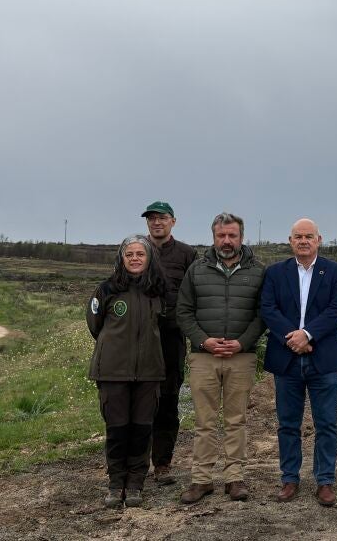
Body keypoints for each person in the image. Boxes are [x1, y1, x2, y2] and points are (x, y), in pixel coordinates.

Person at [176, 213, 265, 503]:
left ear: (242, 237)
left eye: (232, 235)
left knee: (235, 420)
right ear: (213, 237)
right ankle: (201, 480)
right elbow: (184, 312)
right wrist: (204, 340)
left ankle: (234, 479)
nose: (226, 241)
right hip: (204, 357)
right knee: (204, 421)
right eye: (221, 236)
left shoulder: (258, 272)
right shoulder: (196, 270)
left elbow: (261, 315)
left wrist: (243, 343)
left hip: (241, 357)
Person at [260, 219, 337, 507]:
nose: (303, 241)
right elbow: (268, 309)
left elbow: (335, 311)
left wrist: (307, 334)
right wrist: (293, 338)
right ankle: (289, 478)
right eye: (298, 236)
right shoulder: (275, 272)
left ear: (319, 239)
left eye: (309, 236)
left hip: (321, 358)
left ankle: (324, 481)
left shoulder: (335, 272)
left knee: (326, 424)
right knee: (287, 424)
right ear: (290, 240)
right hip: (286, 358)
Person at [86, 235, 168, 508]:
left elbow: (166, 327)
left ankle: (135, 485)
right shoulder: (107, 290)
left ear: (148, 258)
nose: (135, 258)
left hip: (148, 372)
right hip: (112, 372)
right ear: (121, 258)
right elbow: (95, 326)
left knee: (142, 430)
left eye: (140, 254)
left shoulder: (157, 290)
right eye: (129, 254)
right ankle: (114, 484)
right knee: (117, 430)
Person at [140, 201, 197, 485]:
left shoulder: (187, 254)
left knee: (168, 401)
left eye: (161, 218)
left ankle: (162, 463)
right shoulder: (136, 250)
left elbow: (194, 295)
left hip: (172, 337)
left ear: (173, 221)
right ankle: (137, 463)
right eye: (151, 218)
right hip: (139, 339)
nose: (156, 222)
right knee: (139, 401)